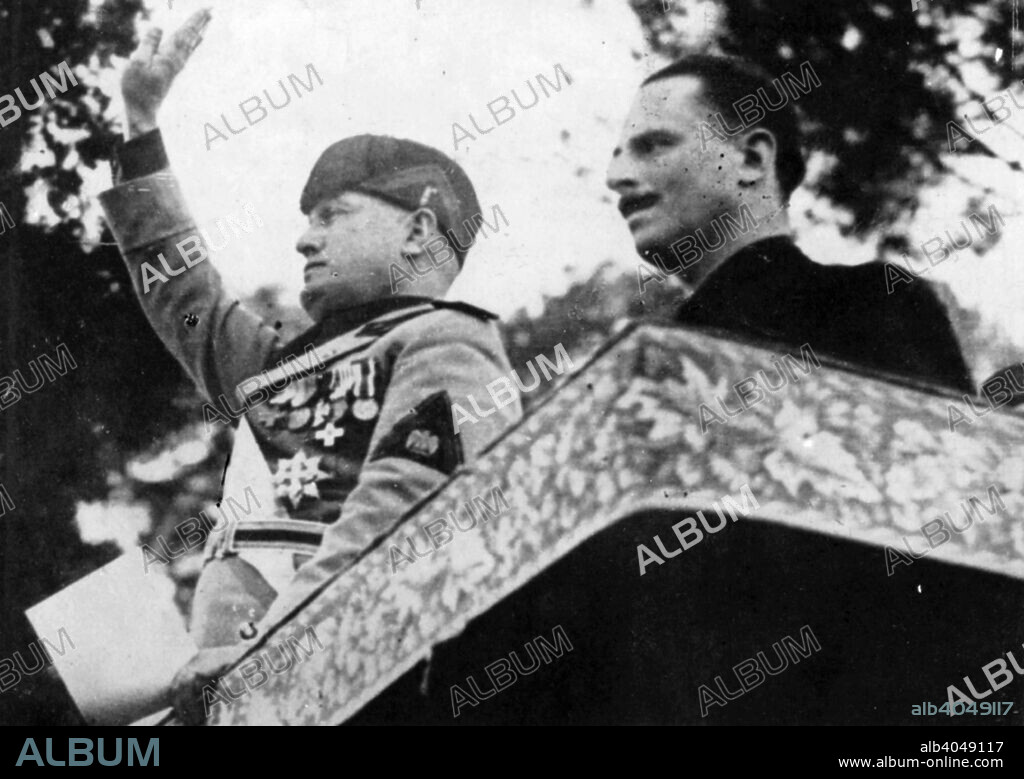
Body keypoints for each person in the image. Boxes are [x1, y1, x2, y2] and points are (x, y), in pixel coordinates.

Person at [99, 10, 521, 724]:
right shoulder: (281, 363)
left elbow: (405, 515)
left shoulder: (448, 341)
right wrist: (141, 126)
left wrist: (268, 650)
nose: (303, 239)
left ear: (419, 230)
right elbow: (185, 294)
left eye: (333, 214)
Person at [606, 54, 974, 394]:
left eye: (653, 145)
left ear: (751, 159)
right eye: (618, 155)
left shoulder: (869, 304)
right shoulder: (649, 357)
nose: (615, 176)